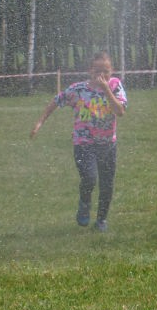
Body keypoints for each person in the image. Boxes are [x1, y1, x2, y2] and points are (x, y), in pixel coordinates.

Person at [30, 51, 127, 231]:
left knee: (107, 184)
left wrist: (106, 89)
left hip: (107, 144)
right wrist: (39, 122)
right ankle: (84, 202)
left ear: (112, 71)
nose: (102, 74)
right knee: (89, 178)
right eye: (97, 70)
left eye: (106, 71)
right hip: (84, 143)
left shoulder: (115, 85)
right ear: (90, 71)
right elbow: (56, 101)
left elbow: (120, 111)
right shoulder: (78, 89)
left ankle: (101, 220)